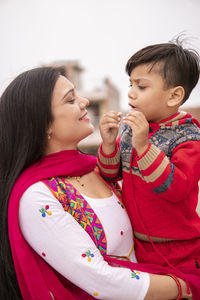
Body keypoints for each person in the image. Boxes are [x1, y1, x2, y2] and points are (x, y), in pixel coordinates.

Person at [0, 67, 191, 300]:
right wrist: (185, 287)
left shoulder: (95, 170)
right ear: (44, 124)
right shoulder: (37, 196)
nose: (84, 101)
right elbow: (102, 280)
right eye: (70, 99)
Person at [97, 40, 200, 299]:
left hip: (181, 251)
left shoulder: (189, 137)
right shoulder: (133, 131)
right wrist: (109, 143)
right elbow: (110, 175)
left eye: (141, 86)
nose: (131, 93)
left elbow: (174, 188)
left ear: (174, 95)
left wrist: (144, 146)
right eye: (131, 84)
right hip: (139, 247)